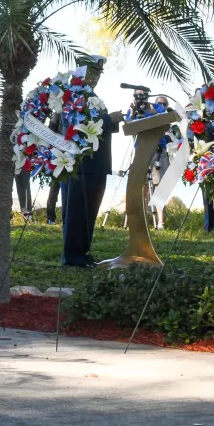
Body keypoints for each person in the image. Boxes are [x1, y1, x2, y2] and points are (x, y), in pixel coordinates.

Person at [61, 54, 122, 267]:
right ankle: (73, 257)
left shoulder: (90, 95)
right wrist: (108, 119)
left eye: (98, 74)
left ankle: (82, 253)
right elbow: (79, 125)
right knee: (77, 213)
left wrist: (112, 122)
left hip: (96, 165)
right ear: (81, 71)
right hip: (81, 165)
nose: (96, 77)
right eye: (92, 72)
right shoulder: (73, 94)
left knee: (87, 214)